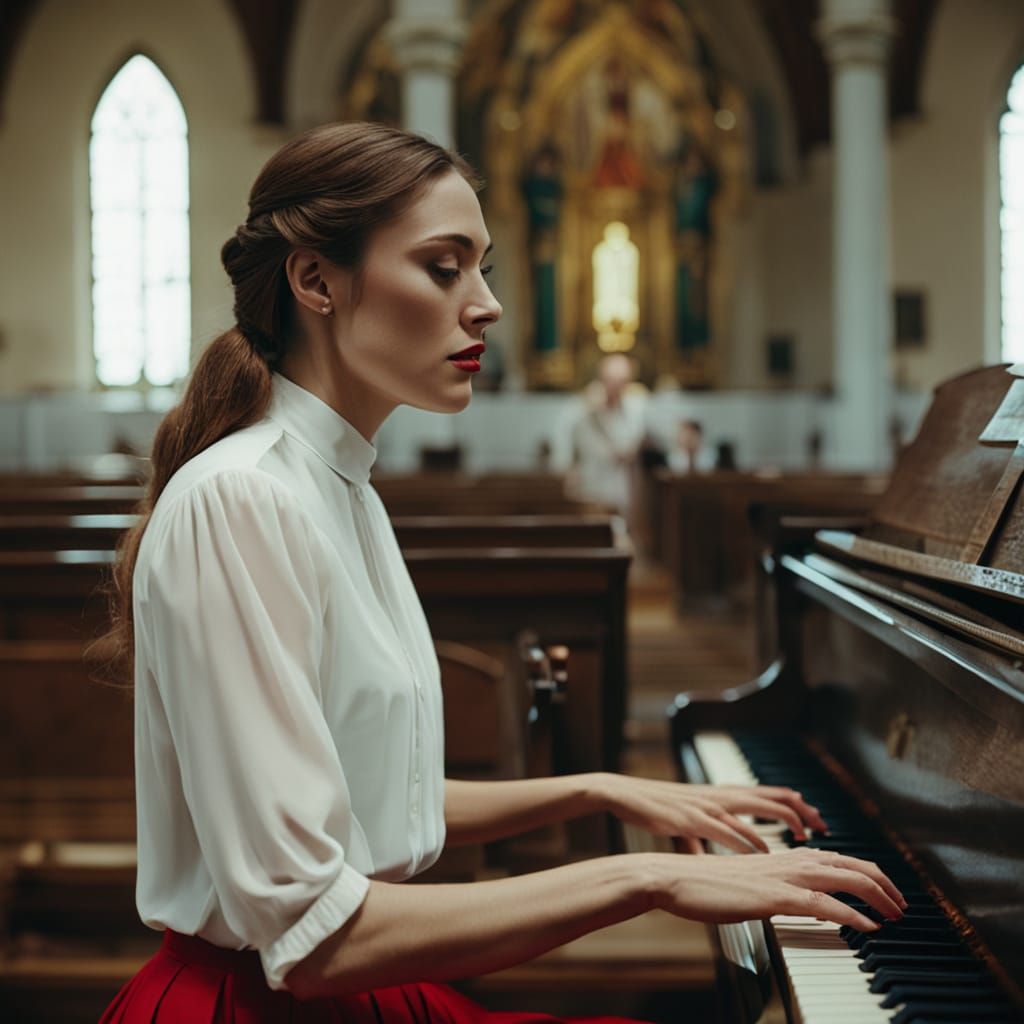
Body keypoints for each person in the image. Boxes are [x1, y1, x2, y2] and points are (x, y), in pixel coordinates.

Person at [97, 122, 904, 1023]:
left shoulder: (339, 486)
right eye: (445, 268)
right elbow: (313, 933)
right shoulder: (241, 500)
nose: (485, 306)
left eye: (484, 270)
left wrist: (599, 787)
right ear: (315, 280)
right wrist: (649, 877)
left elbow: (366, 796)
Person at [565, 353, 647, 522]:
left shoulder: (636, 413)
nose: (616, 385)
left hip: (623, 497)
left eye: (621, 380)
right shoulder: (584, 412)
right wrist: (592, 410)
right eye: (611, 379)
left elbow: (629, 450)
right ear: (601, 379)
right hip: (590, 494)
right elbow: (574, 451)